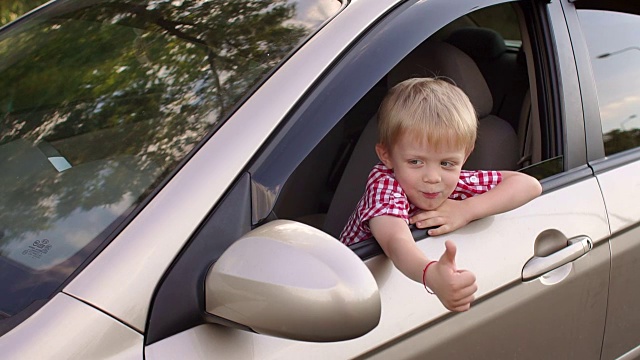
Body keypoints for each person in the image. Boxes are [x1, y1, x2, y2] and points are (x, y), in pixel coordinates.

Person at [340, 77, 542, 312]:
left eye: (446, 162)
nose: (433, 177)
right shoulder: (385, 185)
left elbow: (529, 184)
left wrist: (466, 210)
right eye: (415, 162)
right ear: (386, 156)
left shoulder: (454, 181)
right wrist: (431, 275)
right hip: (345, 290)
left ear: (465, 156)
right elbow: (396, 241)